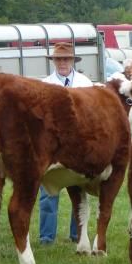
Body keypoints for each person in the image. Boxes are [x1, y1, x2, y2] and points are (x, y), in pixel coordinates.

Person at [38, 42, 93, 245]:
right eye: (59, 59)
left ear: (72, 61)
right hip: (51, 147)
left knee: (79, 191)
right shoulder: (45, 85)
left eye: (66, 59)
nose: (62, 63)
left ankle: (76, 234)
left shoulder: (85, 83)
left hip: (78, 145)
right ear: (53, 61)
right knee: (47, 191)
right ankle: (46, 236)